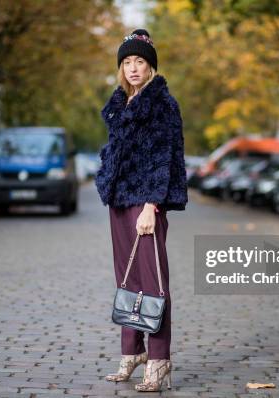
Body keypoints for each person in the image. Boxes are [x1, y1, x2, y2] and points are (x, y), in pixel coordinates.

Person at [94, 28, 188, 392]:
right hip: (119, 199)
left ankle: (160, 359)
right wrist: (106, 173)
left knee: (152, 282)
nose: (133, 68)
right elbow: (115, 150)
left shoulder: (162, 103)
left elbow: (163, 156)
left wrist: (151, 205)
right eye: (127, 62)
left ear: (150, 67)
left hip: (145, 201)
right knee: (127, 278)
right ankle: (132, 351)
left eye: (140, 61)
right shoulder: (122, 102)